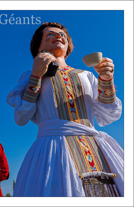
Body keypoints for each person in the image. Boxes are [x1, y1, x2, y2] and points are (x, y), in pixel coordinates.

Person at [7, 22, 123, 197]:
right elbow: (21, 117)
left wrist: (106, 79)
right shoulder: (29, 76)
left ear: (68, 46)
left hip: (95, 147)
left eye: (62, 35)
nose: (58, 36)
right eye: (50, 35)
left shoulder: (86, 75)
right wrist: (36, 75)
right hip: (52, 150)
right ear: (38, 47)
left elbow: (107, 115)